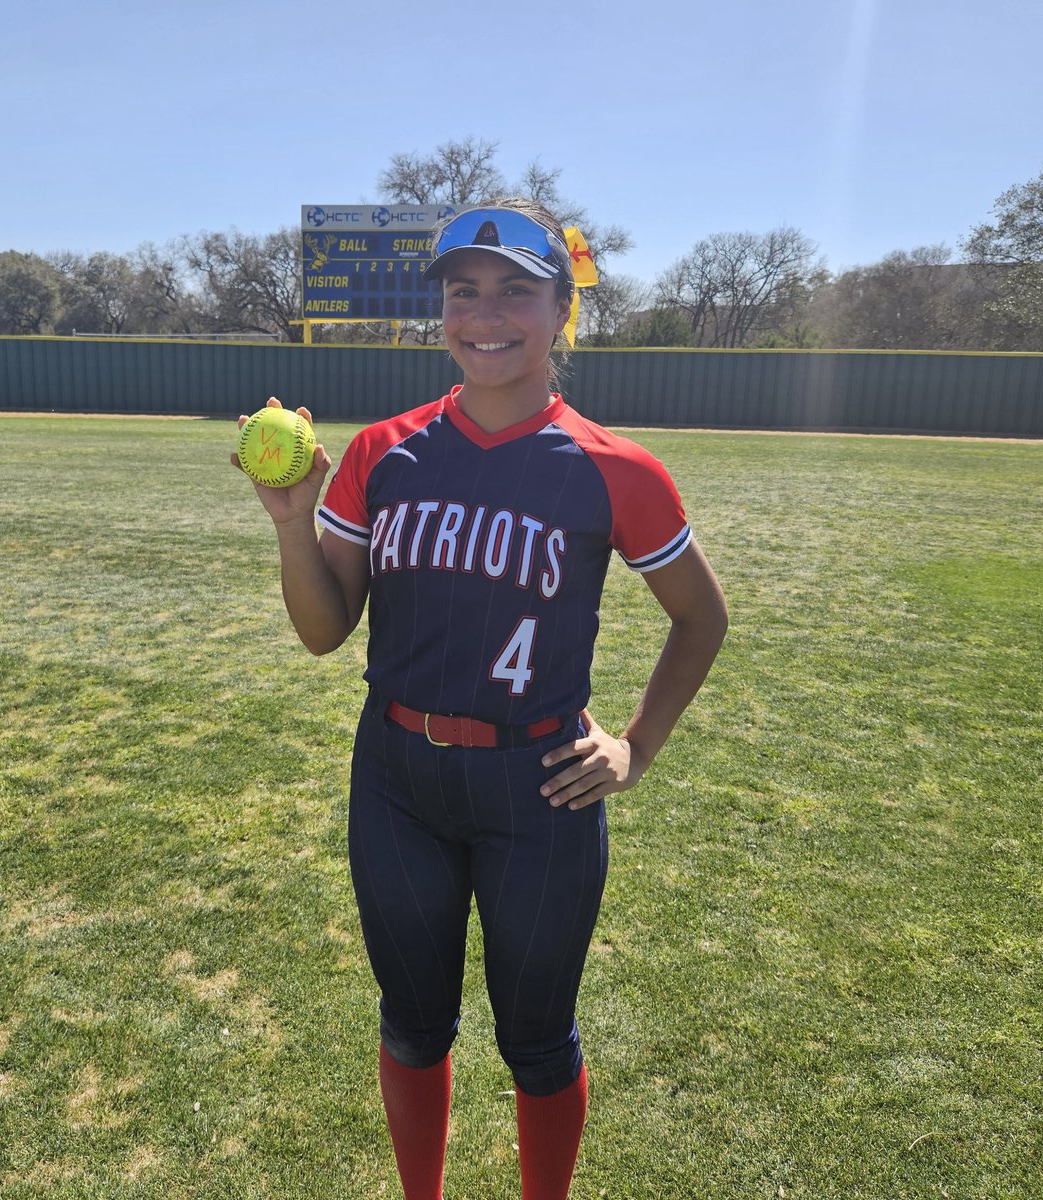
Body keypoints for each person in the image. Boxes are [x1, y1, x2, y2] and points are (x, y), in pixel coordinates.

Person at [231, 199, 728, 1200]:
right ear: (443, 314)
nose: (486, 314)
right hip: (399, 778)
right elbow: (326, 629)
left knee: (538, 1040)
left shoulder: (612, 467)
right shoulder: (383, 452)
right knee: (413, 1026)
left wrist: (635, 747)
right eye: (465, 292)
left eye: (515, 292)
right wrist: (291, 523)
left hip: (539, 788)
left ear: (559, 312)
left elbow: (700, 618)